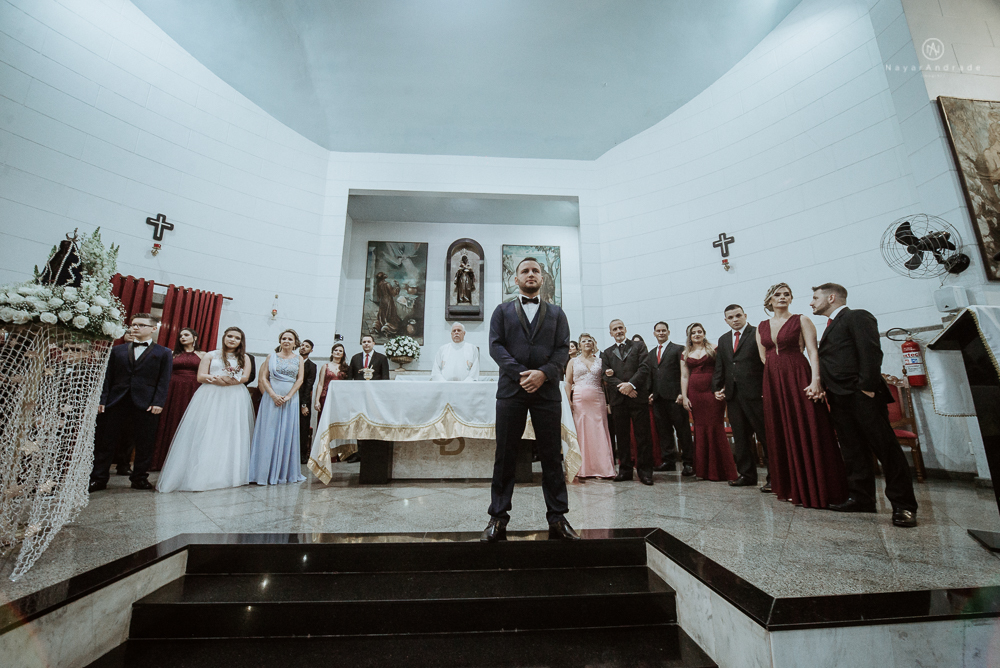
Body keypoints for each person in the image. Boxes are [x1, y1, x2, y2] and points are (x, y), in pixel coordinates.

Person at [482, 257, 577, 542]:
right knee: (505, 454)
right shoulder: (501, 311)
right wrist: (523, 374)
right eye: (525, 271)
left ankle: (558, 518)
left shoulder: (558, 313)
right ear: (516, 279)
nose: (531, 274)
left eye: (536, 270)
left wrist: (544, 374)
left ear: (543, 278)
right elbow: (495, 347)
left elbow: (562, 350)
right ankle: (498, 517)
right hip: (512, 390)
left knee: (551, 455)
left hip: (546, 391)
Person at [810, 283, 918, 527]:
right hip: (838, 397)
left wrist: (866, 387)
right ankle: (862, 498)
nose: (811, 302)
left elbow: (870, 351)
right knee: (853, 450)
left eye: (815, 298)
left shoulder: (857, 316)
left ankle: (903, 505)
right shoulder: (830, 326)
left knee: (886, 449)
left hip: (861, 395)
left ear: (831, 297)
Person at [757, 283, 848, 509]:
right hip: (773, 380)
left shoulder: (802, 320)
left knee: (807, 426)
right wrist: (774, 377)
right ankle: (789, 486)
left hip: (798, 374)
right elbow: (764, 357)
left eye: (787, 294)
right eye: (777, 294)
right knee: (780, 429)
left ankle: (817, 487)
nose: (783, 297)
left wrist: (815, 380)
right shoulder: (761, 326)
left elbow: (813, 351)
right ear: (769, 300)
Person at [156, 327, 255, 493]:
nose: (232, 340)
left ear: (241, 341)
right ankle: (202, 472)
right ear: (224, 337)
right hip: (211, 394)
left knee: (230, 432)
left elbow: (245, 377)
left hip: (234, 396)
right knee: (208, 430)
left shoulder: (244, 357)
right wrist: (214, 379)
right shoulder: (210, 354)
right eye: (229, 336)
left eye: (236, 338)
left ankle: (229, 474)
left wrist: (228, 381)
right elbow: (200, 376)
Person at [89, 314, 172, 492]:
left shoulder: (164, 353)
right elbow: (107, 378)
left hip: (147, 403)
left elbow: (164, 380)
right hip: (116, 401)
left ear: (153, 329)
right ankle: (99, 478)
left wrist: (158, 402)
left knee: (145, 442)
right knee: (106, 441)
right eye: (134, 325)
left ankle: (139, 478)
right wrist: (103, 400)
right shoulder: (116, 351)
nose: (135, 328)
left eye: (141, 325)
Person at [712, 305, 770, 491]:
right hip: (733, 395)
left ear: (745, 315)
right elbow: (720, 367)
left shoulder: (757, 333)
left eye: (738, 315)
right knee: (741, 438)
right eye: (731, 317)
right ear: (726, 320)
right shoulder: (723, 339)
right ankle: (746, 475)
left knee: (764, 436)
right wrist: (716, 388)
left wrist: (766, 388)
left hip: (756, 394)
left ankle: (774, 477)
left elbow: (765, 363)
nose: (735, 319)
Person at [249, 329, 307, 485]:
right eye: (283, 338)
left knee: (287, 432)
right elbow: (263, 378)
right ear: (280, 341)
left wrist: (288, 396)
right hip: (271, 398)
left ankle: (283, 472)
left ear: (295, 343)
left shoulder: (299, 358)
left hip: (291, 399)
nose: (286, 341)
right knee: (269, 432)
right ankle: (263, 472)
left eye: (290, 339)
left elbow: (300, 379)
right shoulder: (271, 357)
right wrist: (273, 395)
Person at [681, 323, 738, 482]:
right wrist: (685, 397)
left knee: (715, 426)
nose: (697, 334)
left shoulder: (714, 348)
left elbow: (725, 369)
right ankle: (703, 471)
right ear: (689, 336)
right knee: (700, 428)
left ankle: (721, 470)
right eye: (694, 333)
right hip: (695, 393)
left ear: (704, 333)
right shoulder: (685, 353)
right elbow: (684, 376)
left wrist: (723, 388)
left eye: (700, 332)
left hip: (712, 391)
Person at [602, 319, 654, 485]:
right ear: (611, 333)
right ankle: (625, 470)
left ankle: (645, 472)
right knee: (622, 437)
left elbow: (644, 367)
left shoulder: (638, 347)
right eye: (614, 329)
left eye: (620, 328)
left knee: (642, 436)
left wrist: (630, 385)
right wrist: (622, 387)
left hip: (637, 397)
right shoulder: (607, 352)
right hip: (618, 400)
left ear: (625, 329)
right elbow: (605, 375)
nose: (618, 331)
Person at [151, 328, 205, 471]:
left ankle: (185, 462)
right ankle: (161, 460)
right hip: (173, 388)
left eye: (186, 335)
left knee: (190, 421)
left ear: (195, 338)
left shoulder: (203, 355)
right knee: (170, 419)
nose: (182, 337)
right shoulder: (172, 354)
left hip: (194, 389)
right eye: (180, 336)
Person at [565, 333, 616, 479]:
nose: (587, 342)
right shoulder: (573, 361)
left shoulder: (601, 361)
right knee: (582, 431)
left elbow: (605, 381)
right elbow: (568, 382)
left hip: (597, 398)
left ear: (593, 344)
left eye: (589, 340)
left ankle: (602, 468)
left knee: (599, 430)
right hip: (580, 399)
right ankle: (582, 468)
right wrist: (569, 399)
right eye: (583, 341)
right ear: (579, 345)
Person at [647, 322, 693, 476]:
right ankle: (668, 461)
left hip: (675, 397)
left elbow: (684, 373)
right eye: (658, 331)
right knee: (664, 432)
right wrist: (651, 392)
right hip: (659, 398)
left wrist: (682, 393)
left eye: (663, 330)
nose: (661, 333)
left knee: (682, 431)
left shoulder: (678, 349)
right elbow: (652, 375)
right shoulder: (651, 353)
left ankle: (689, 463)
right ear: (654, 333)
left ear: (668, 332)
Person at [349, 334, 391, 463]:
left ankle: (373, 451)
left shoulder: (381, 358)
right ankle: (360, 451)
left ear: (373, 343)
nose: (366, 344)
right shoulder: (355, 358)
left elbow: (385, 378)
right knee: (360, 421)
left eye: (368, 341)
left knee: (373, 420)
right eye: (364, 342)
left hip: (375, 396)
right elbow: (350, 378)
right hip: (359, 395)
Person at [315, 343, 350, 417]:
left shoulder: (346, 368)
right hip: (325, 396)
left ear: (343, 354)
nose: (338, 352)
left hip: (340, 397)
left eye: (340, 351)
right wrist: (317, 400)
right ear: (332, 353)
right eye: (336, 350)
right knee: (324, 417)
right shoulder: (325, 366)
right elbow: (320, 384)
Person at [298, 339, 317, 465]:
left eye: (307, 346)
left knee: (303, 428)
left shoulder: (311, 366)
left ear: (311, 350)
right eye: (302, 345)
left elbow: (308, 386)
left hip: (303, 399)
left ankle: (302, 455)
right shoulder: (293, 361)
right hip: (288, 398)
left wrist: (304, 405)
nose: (303, 348)